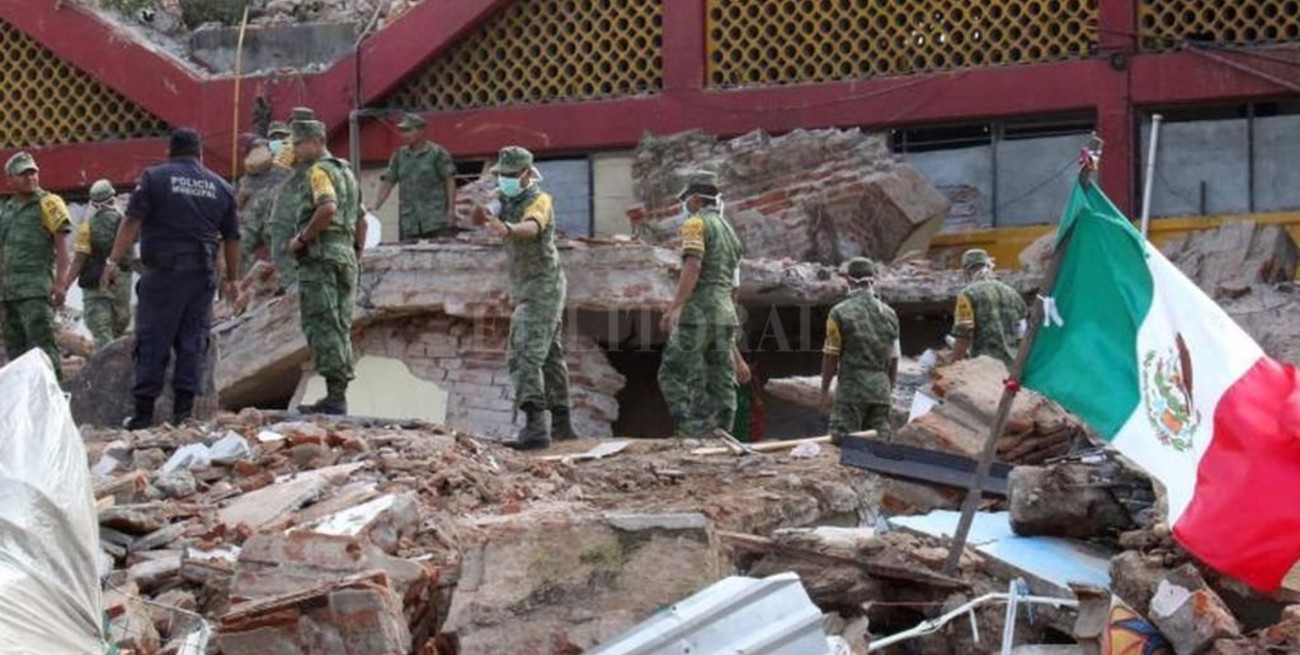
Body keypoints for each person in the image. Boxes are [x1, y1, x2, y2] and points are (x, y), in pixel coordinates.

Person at [104, 128, 241, 429]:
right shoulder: (221, 186)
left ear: (170, 152)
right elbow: (232, 237)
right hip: (203, 276)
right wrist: (232, 278)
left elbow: (131, 220)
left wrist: (113, 259)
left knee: (154, 339)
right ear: (200, 154)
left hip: (165, 274)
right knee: (192, 341)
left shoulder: (155, 177)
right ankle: (184, 414)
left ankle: (142, 416)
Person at [475, 146, 573, 450]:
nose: (505, 180)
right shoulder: (505, 197)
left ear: (528, 174)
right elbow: (488, 210)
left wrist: (506, 228)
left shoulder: (539, 200)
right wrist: (484, 211)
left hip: (544, 287)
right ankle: (562, 426)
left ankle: (535, 427)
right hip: (528, 287)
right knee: (550, 355)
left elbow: (531, 228)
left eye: (511, 175)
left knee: (523, 352)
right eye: (501, 175)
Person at [286, 118, 367, 415]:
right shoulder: (346, 172)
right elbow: (361, 219)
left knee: (323, 324)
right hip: (344, 255)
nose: (295, 150)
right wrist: (355, 254)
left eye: (298, 143)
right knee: (340, 324)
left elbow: (328, 207)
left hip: (321, 257)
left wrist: (302, 239)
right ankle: (338, 393)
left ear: (316, 141)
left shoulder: (319, 171)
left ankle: (335, 396)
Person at [657, 170, 743, 440]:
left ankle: (690, 430)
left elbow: (693, 265)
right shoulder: (730, 233)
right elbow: (733, 285)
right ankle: (723, 430)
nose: (686, 205)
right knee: (720, 374)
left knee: (673, 372)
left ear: (695, 200)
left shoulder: (696, 224)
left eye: (686, 200)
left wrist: (675, 307)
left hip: (699, 311)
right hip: (724, 312)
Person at [0, 151, 71, 379]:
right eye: (23, 175)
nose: (31, 178)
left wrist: (61, 284)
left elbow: (62, 248)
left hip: (35, 291)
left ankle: (55, 402)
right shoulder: (8, 209)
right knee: (16, 354)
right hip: (9, 293)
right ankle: (25, 406)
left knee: (44, 349)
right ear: (10, 179)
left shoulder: (49, 203)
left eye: (33, 173)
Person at [820, 257, 900, 444]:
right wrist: (888, 389)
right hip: (881, 391)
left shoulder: (839, 312)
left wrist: (824, 390)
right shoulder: (889, 314)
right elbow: (894, 358)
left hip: (851, 391)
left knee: (843, 446)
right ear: (873, 279)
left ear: (848, 280)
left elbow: (831, 355)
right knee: (879, 451)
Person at [61, 179, 132, 349]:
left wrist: (64, 286)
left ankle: (107, 371)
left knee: (102, 336)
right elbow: (132, 257)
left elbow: (79, 259)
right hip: (121, 286)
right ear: (113, 198)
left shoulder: (87, 226)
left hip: (96, 287)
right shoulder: (126, 224)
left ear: (93, 203)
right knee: (118, 334)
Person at [372, 113, 458, 242]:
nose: (404, 135)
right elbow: (388, 181)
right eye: (402, 131)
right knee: (408, 255)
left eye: (408, 130)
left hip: (435, 218)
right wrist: (375, 206)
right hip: (410, 219)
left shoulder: (437, 153)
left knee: (440, 254)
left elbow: (449, 180)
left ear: (421, 130)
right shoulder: (400, 156)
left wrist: (451, 210)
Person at [947, 248, 1027, 368]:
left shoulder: (967, 294)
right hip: (1015, 366)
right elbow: (1023, 332)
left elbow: (964, 335)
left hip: (987, 368)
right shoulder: (1012, 293)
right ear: (989, 266)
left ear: (966, 271)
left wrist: (953, 367)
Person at [267, 107, 319, 290]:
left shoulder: (295, 147)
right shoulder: (322, 151)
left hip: (295, 200)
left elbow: (279, 169)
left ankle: (292, 288)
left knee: (283, 248)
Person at [237, 135, 291, 274]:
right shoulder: (285, 171)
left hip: (254, 222)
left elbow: (238, 204)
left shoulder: (247, 180)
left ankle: (241, 284)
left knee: (239, 249)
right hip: (276, 222)